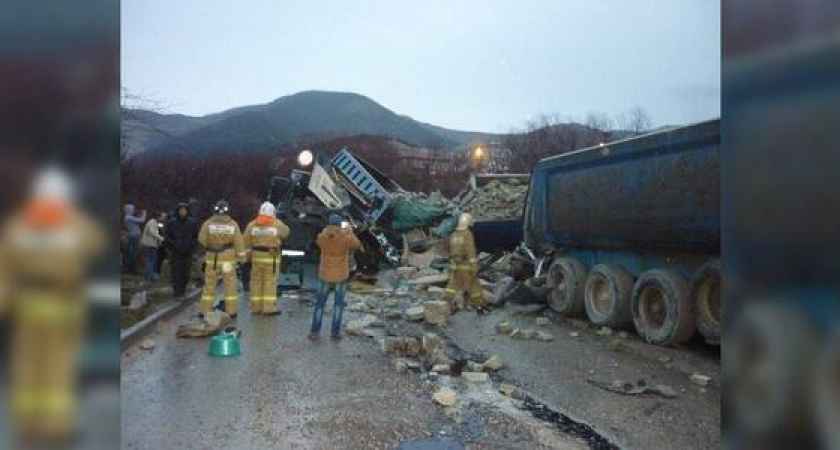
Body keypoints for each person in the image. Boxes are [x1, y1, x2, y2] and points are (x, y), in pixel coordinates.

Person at [0, 167, 104, 443]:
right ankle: (56, 427)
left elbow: (5, 270)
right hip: (62, 306)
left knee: (27, 366)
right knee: (59, 369)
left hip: (29, 306)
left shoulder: (18, 226)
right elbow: (96, 243)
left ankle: (28, 425)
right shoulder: (74, 225)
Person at [309, 214, 361, 340]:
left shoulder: (322, 237)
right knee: (338, 305)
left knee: (320, 304)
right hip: (340, 275)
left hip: (324, 273)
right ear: (340, 225)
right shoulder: (346, 238)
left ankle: (315, 332)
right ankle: (335, 332)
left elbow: (320, 239)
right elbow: (357, 245)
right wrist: (349, 231)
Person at [197, 200, 245, 317]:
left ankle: (205, 311)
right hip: (228, 259)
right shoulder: (233, 224)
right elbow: (239, 242)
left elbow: (201, 239)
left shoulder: (208, 224)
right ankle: (231, 311)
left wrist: (210, 244)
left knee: (209, 284)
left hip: (212, 258)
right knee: (229, 284)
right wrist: (242, 259)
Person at [243, 201, 290, 316]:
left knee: (256, 282)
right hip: (271, 258)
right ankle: (268, 308)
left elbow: (245, 242)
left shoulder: (252, 225)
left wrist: (246, 258)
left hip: (257, 257)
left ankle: (256, 307)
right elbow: (286, 233)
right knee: (270, 282)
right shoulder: (277, 224)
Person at [443, 213, 488, 314]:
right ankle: (480, 307)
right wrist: (474, 267)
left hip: (455, 265)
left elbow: (448, 249)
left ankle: (445, 305)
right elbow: (470, 251)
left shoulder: (454, 235)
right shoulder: (467, 234)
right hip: (466, 266)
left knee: (452, 286)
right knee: (474, 287)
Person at [164, 202, 198, 297]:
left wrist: (191, 247)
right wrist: (172, 246)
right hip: (175, 252)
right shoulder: (172, 222)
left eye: (184, 210)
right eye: (181, 210)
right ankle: (177, 292)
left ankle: (183, 290)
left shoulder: (192, 222)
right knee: (176, 272)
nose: (182, 212)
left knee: (186, 273)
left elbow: (196, 236)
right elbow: (167, 236)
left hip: (188, 251)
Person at [139, 212, 165, 281]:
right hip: (149, 244)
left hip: (152, 244)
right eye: (162, 217)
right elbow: (153, 232)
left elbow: (161, 227)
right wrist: (161, 238)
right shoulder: (152, 223)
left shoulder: (156, 223)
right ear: (158, 217)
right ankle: (149, 276)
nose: (163, 218)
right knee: (151, 260)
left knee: (151, 260)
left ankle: (148, 275)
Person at [123, 203, 146, 273]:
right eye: (132, 209)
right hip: (134, 236)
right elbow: (142, 220)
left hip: (133, 235)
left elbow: (137, 221)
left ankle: (131, 268)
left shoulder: (129, 217)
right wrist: (144, 213)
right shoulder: (129, 217)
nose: (133, 210)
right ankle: (129, 269)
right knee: (133, 253)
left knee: (132, 253)